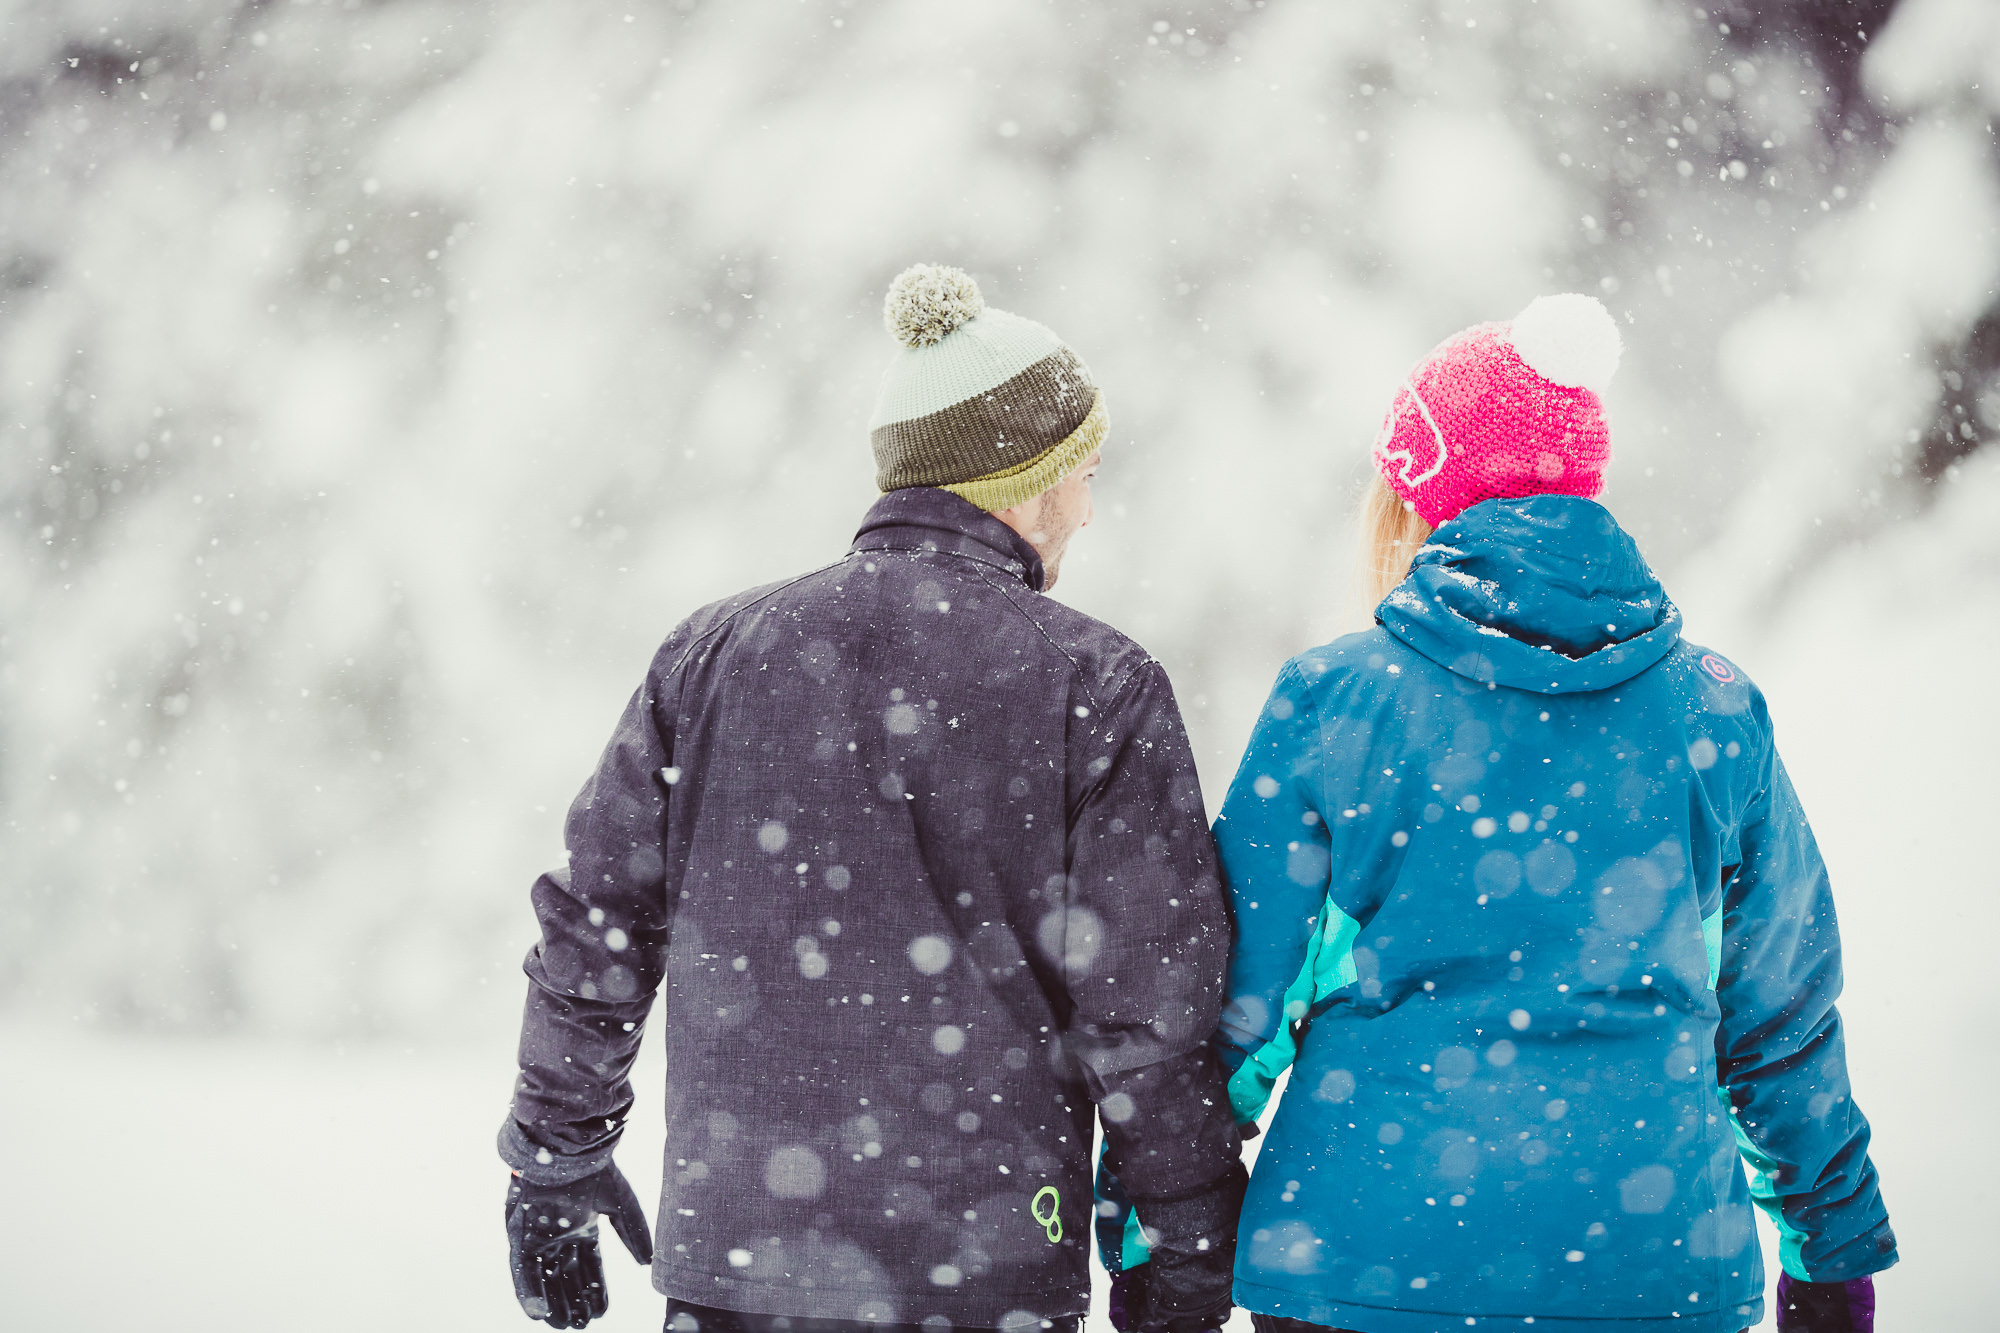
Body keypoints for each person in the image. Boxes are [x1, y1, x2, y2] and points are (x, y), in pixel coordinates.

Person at [1100, 295, 1895, 1333]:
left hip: (1364, 1264)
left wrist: (1160, 1228)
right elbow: (1778, 1019)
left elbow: (1233, 1007)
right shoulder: (1710, 709)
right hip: (1650, 1268)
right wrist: (1830, 1248)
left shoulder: (1339, 701)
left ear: (1419, 500)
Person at [498, 264, 1246, 1333]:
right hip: (981, 1270)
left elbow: (599, 927)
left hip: (738, 1268)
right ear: (1022, 480)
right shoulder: (1095, 684)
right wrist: (1182, 1233)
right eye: (1081, 473)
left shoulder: (709, 658)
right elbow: (1149, 1011)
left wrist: (554, 1155)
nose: (1086, 508)